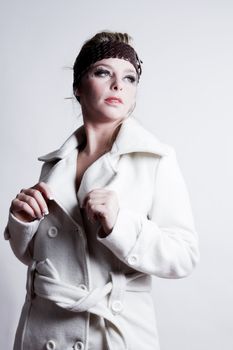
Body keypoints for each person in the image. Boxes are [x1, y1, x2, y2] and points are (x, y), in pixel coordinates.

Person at [4, 31, 200, 350]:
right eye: (102, 72)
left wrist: (119, 224)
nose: (117, 85)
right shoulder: (54, 165)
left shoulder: (156, 159)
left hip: (112, 335)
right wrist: (22, 222)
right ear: (78, 87)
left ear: (135, 94)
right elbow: (40, 261)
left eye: (130, 78)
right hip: (42, 332)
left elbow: (184, 256)